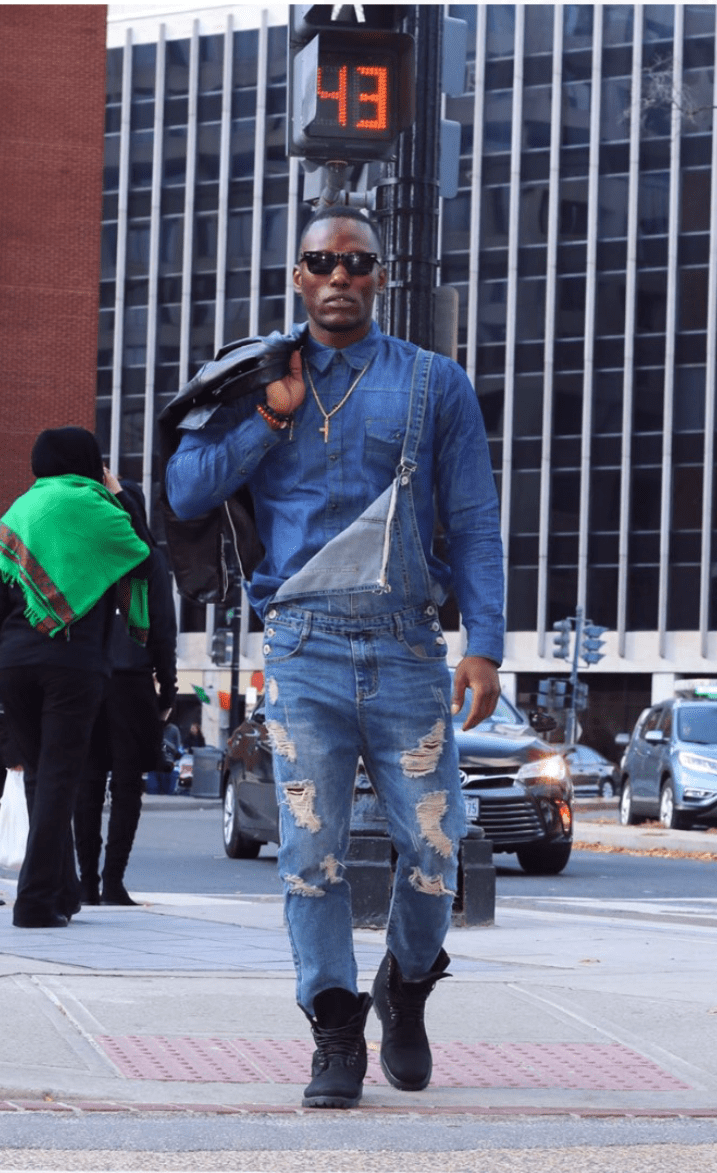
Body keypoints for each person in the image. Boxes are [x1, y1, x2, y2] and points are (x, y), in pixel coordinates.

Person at [166, 205, 505, 1108]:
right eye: (321, 262)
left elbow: (474, 520)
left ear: (380, 276)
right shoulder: (255, 377)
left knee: (436, 845)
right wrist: (265, 420)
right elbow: (184, 489)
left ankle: (406, 983)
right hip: (302, 647)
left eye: (356, 263)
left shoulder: (433, 383)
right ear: (298, 277)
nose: (339, 277)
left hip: (407, 646)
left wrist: (486, 645)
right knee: (308, 851)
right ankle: (333, 1024)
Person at [0, 427, 154, 928]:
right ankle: (34, 903)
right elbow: (145, 557)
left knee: (39, 778)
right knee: (59, 779)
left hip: (13, 662)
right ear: (89, 462)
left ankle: (62, 894)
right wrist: (120, 495)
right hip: (72, 662)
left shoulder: (21, 510)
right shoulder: (98, 509)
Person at [73, 480, 177, 907]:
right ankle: (114, 881)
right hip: (132, 681)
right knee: (128, 785)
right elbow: (162, 629)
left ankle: (87, 882)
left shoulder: (88, 554)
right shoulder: (147, 559)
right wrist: (168, 688)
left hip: (89, 677)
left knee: (88, 781)